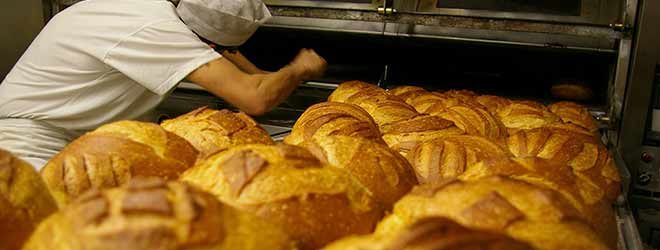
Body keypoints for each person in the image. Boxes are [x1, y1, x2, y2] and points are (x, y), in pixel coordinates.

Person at [0, 0, 327, 170]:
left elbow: (244, 68)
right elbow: (253, 98)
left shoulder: (135, 10)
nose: (217, 55)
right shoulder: (155, 28)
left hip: (76, 145)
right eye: (212, 49)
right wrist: (299, 69)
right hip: (27, 147)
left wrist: (276, 76)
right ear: (204, 42)